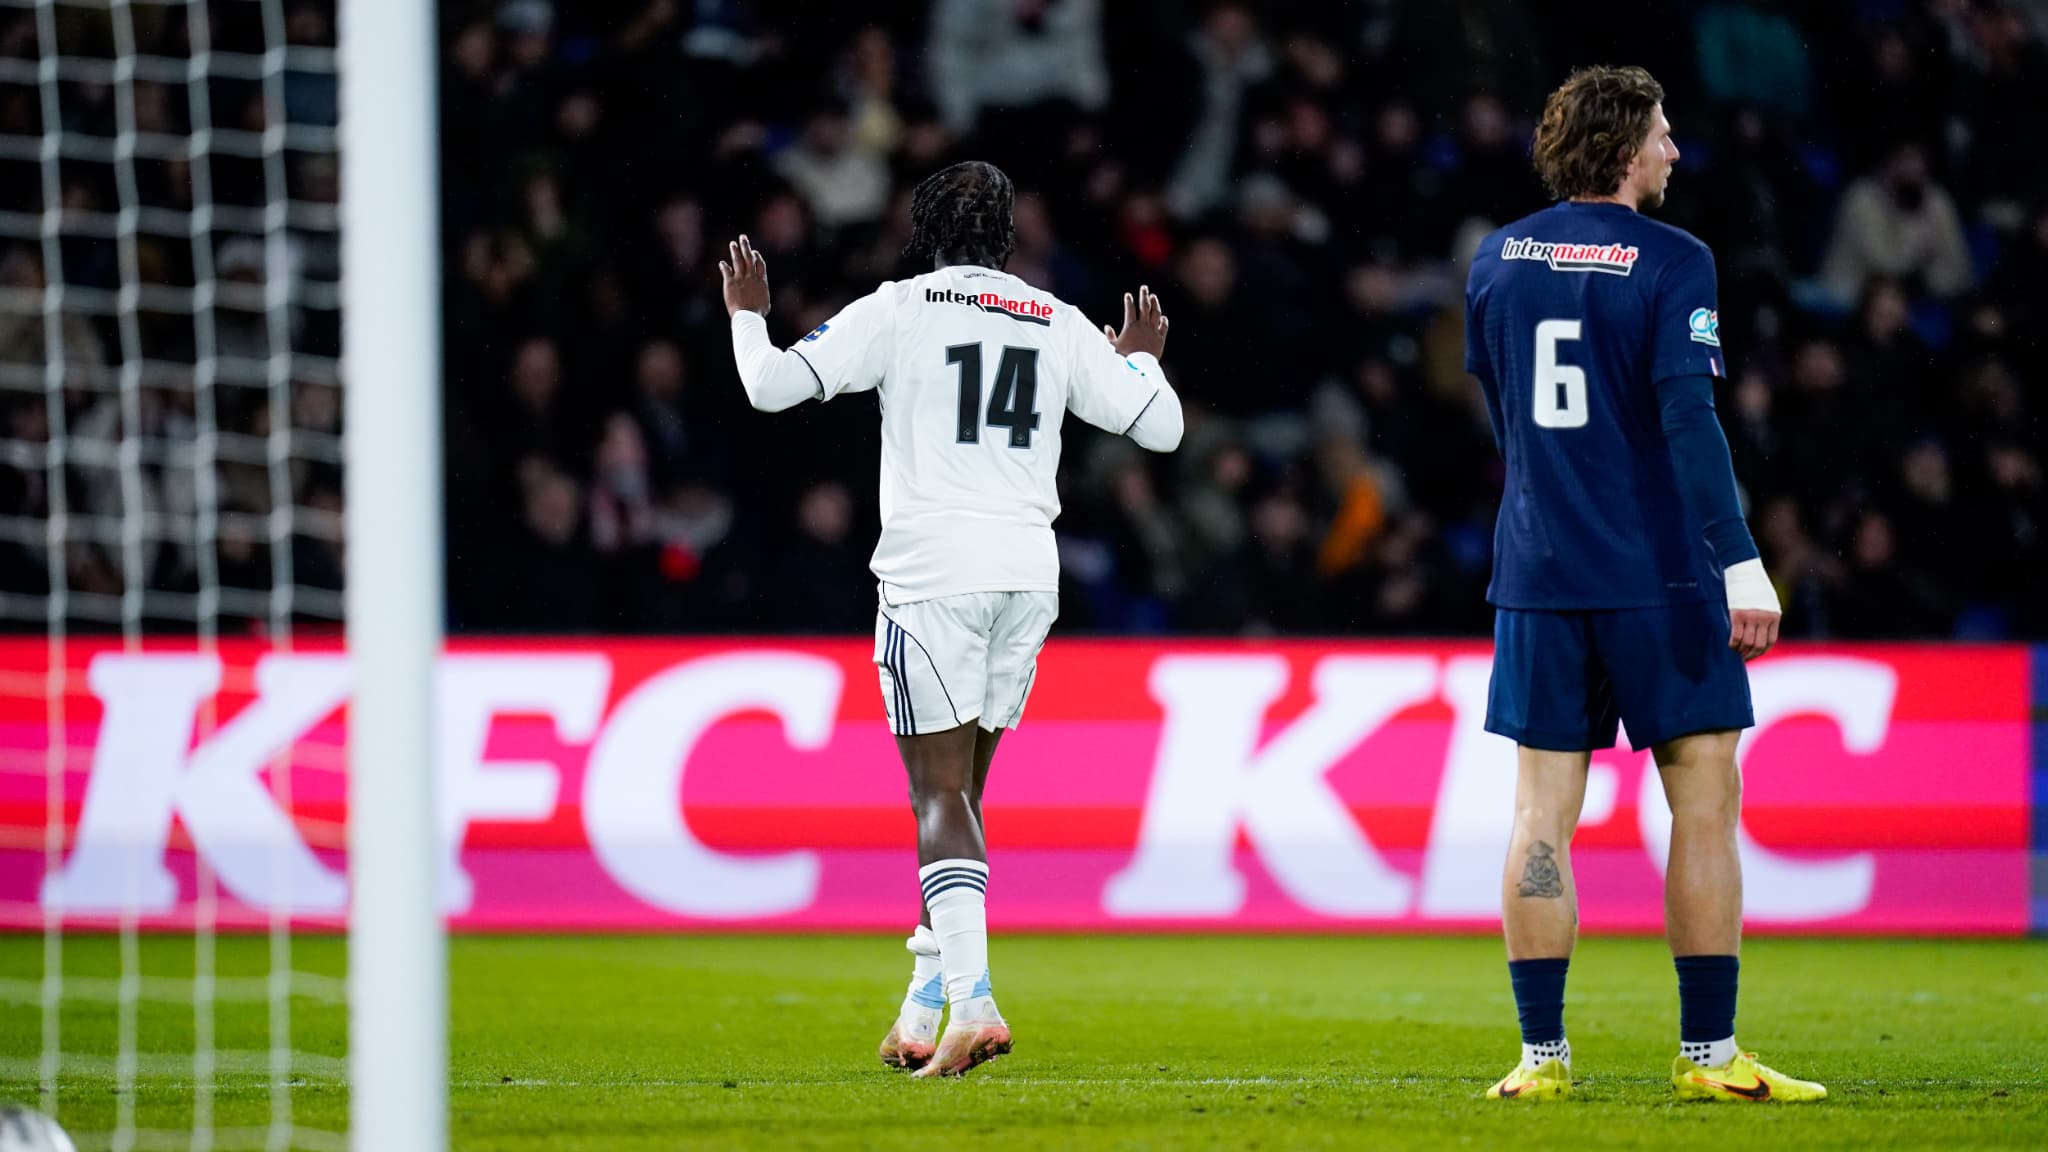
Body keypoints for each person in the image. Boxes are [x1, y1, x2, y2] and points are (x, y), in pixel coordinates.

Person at [720, 161, 1184, 1077]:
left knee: (937, 797)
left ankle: (974, 1003)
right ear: (1006, 236)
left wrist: (746, 313)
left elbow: (769, 387)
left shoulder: (898, 309)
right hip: (1027, 576)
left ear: (923, 232)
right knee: (960, 799)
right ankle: (924, 1002)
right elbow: (1162, 428)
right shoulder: (1053, 318)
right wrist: (1138, 362)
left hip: (934, 573)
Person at [1462, 66, 1825, 1103]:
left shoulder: (1497, 256)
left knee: (1539, 816)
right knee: (1703, 805)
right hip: (1658, 576)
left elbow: (1500, 403)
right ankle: (1708, 1057)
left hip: (1538, 572)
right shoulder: (1674, 259)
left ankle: (1540, 1060)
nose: (1672, 150)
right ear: (1623, 151)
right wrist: (1739, 558)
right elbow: (1686, 418)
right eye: (1661, 134)